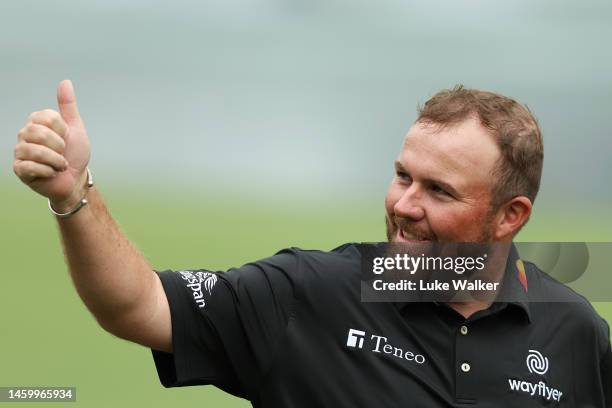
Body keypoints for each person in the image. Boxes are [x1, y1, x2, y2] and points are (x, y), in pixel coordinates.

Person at [13, 81, 611, 407]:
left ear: (511, 216)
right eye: (403, 175)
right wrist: (74, 196)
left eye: (439, 190)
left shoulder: (575, 332)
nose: (404, 205)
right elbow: (138, 304)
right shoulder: (312, 293)